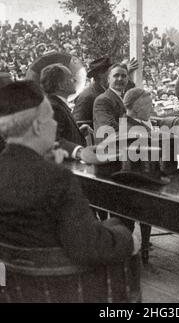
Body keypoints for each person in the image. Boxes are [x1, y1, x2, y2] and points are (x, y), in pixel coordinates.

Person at [0, 81, 136, 263]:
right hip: (58, 283)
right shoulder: (57, 179)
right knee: (121, 231)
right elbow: (87, 245)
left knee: (113, 225)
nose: (55, 126)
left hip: (11, 282)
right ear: (37, 126)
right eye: (50, 119)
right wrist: (128, 239)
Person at [40, 63, 91, 159]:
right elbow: (52, 140)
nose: (75, 80)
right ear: (61, 85)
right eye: (71, 78)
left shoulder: (56, 104)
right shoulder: (53, 107)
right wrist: (79, 151)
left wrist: (76, 132)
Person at [93, 63, 129, 139]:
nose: (120, 79)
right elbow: (110, 129)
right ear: (109, 79)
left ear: (127, 80)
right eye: (116, 75)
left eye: (124, 76)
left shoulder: (125, 98)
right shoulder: (103, 100)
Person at [73, 57, 113, 124]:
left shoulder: (107, 91)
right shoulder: (87, 96)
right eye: (111, 72)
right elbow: (78, 124)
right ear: (101, 74)